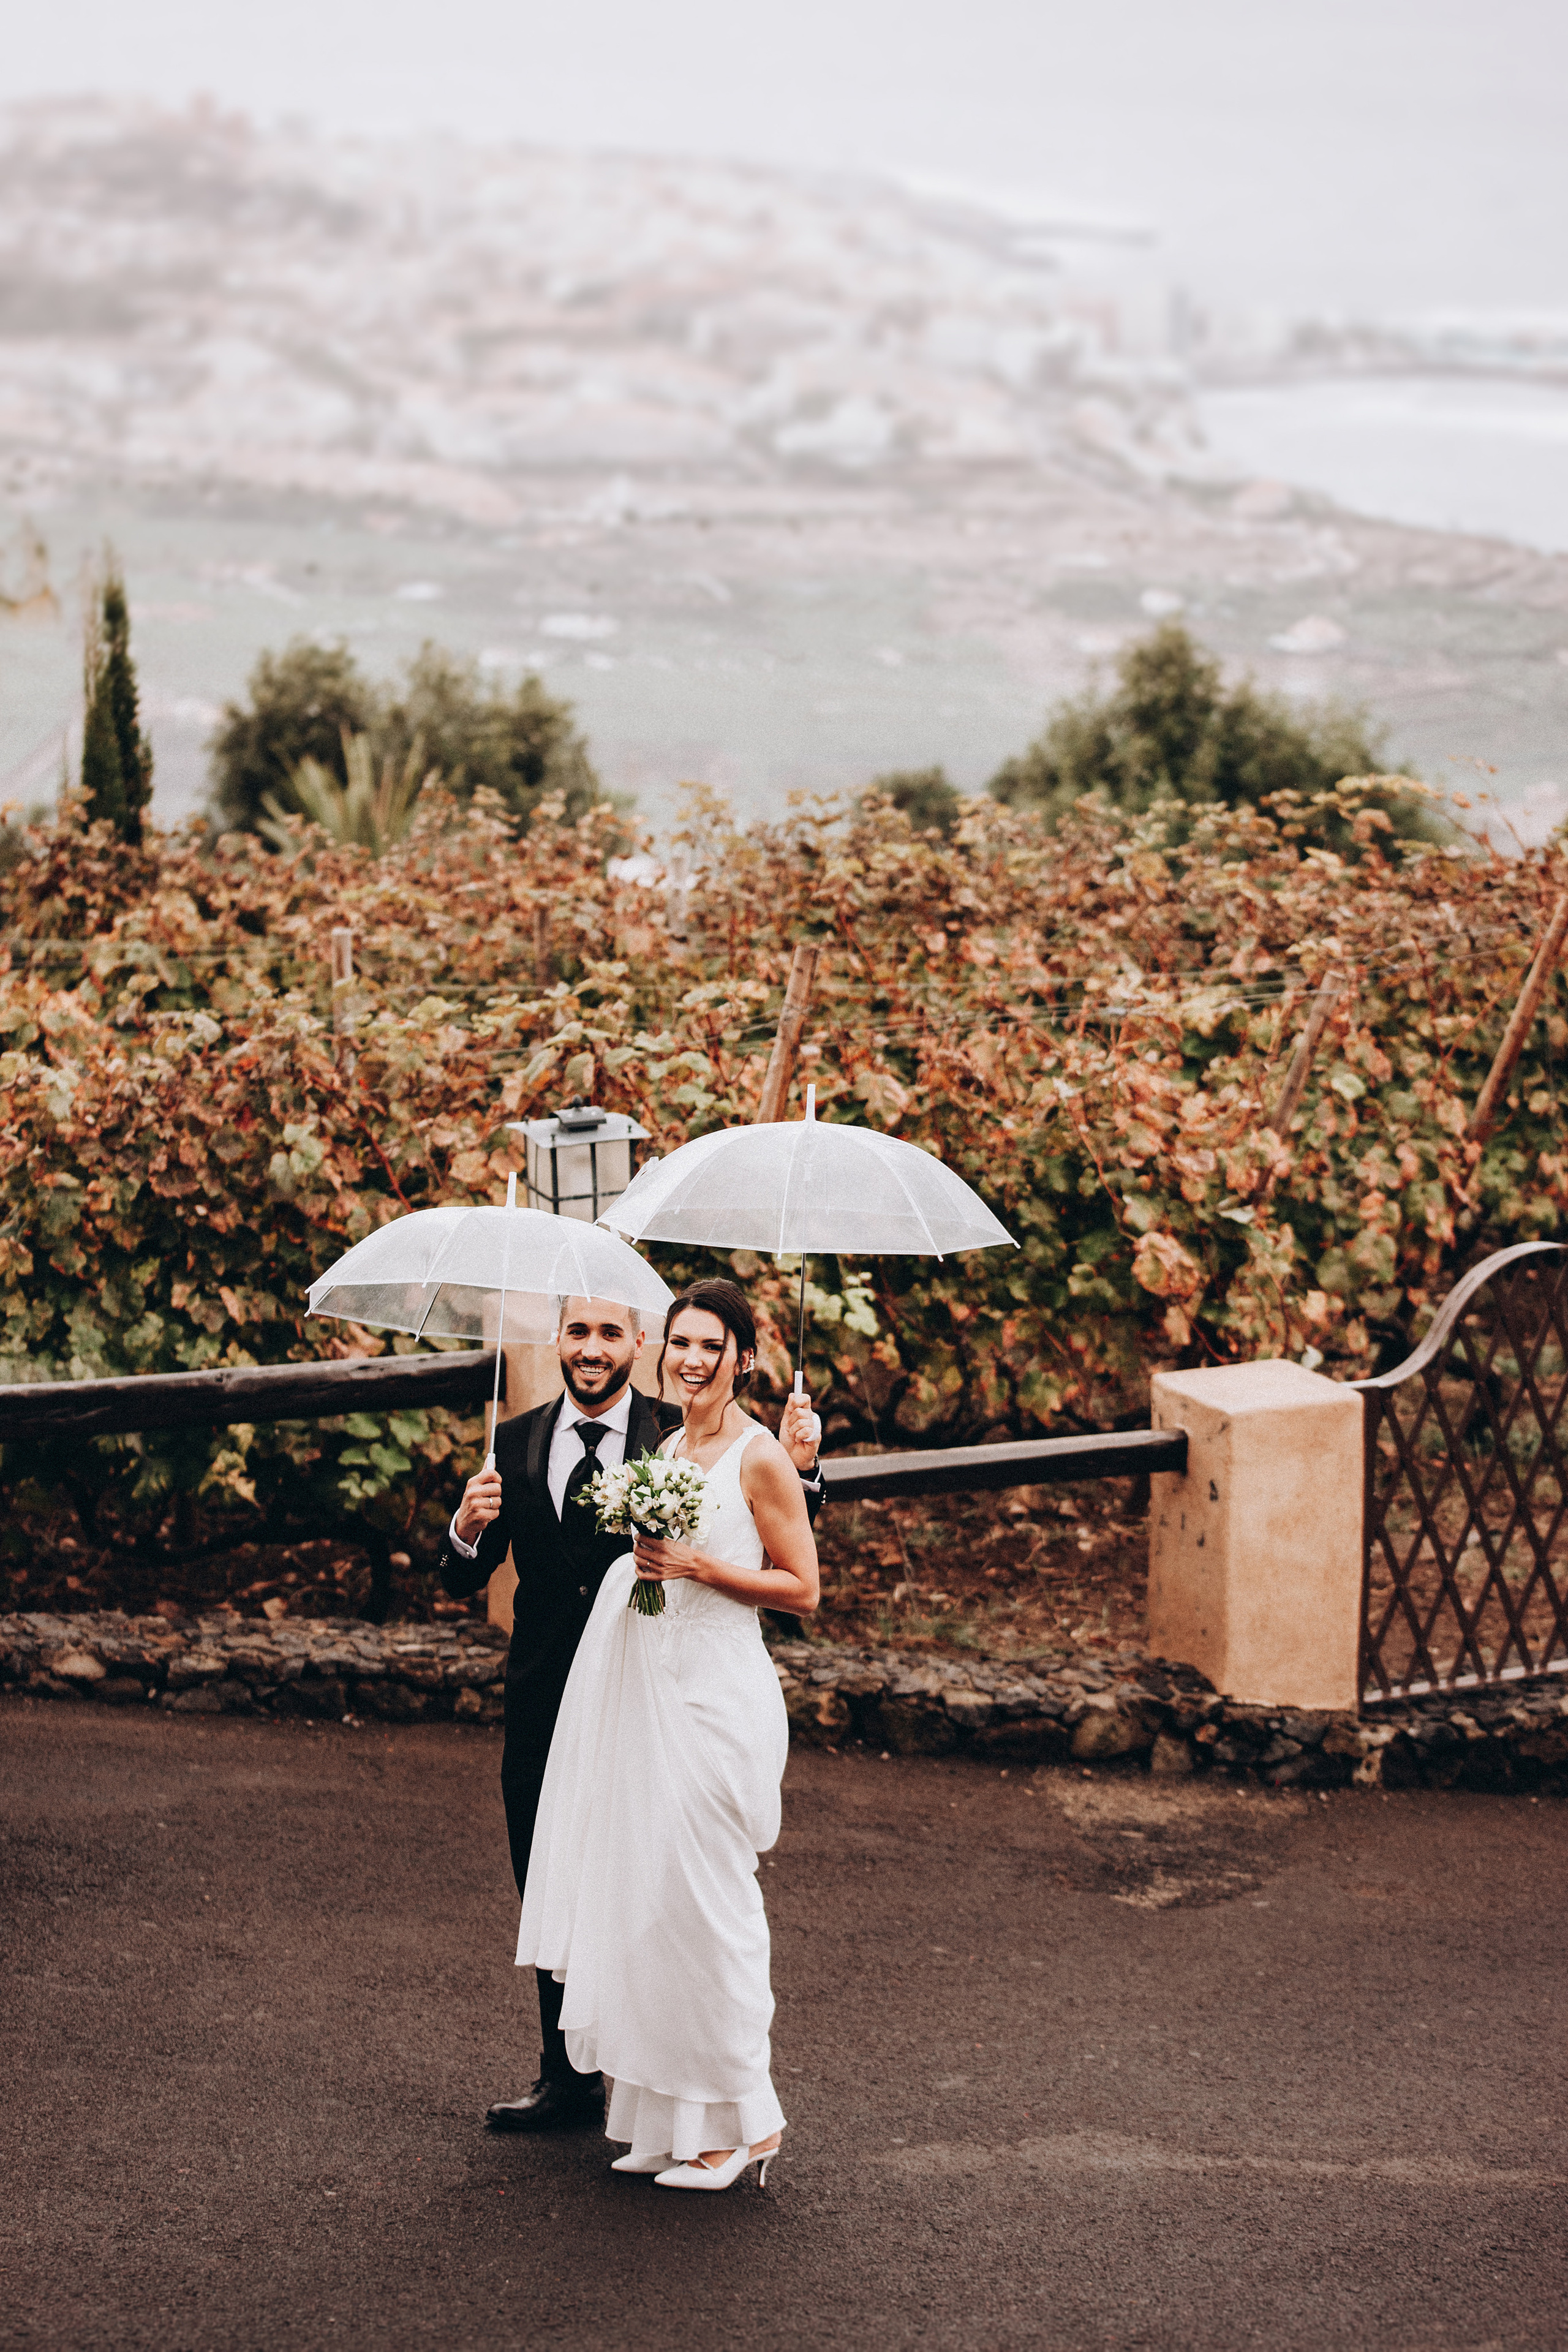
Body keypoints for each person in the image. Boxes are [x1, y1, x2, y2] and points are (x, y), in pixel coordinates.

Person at [437, 1291, 824, 2135]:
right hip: (545, 1697)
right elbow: (465, 1576)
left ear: (636, 1343)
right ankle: (568, 2077)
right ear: (559, 1339)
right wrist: (464, 1529)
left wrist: (805, 1470)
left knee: (654, 1889)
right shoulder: (514, 1442)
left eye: (610, 1333)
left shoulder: (675, 1430)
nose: (592, 1347)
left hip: (654, 1693)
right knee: (553, 1877)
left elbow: (761, 1528)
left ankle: (663, 2075)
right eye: (578, 1331)